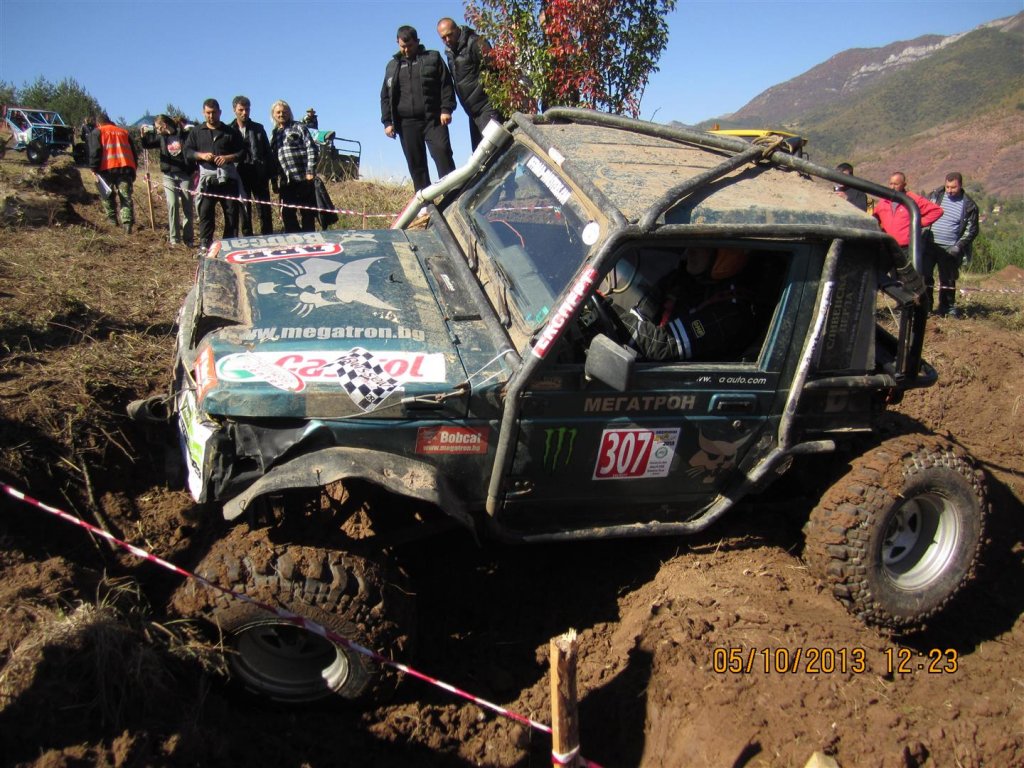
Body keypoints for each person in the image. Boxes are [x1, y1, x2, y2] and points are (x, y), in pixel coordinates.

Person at [610, 248, 757, 362]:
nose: (690, 250)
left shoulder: (731, 312)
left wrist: (608, 310)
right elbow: (641, 316)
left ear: (724, 255)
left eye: (700, 245)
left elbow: (661, 345)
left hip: (685, 385)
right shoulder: (679, 279)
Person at [380, 25, 457, 190]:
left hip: (434, 120)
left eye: (410, 46)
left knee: (443, 154)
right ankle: (426, 202)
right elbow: (385, 96)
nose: (406, 50)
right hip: (407, 124)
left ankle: (454, 195)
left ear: (417, 42)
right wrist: (387, 122)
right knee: (416, 165)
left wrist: (446, 109)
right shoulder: (392, 66)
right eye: (403, 46)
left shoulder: (433, 58)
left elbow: (446, 84)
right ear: (397, 43)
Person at [184, 98, 245, 252]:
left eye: (214, 113)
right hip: (207, 180)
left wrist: (227, 158)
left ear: (220, 112)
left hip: (228, 179)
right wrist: (201, 155)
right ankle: (205, 245)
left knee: (231, 213)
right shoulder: (196, 132)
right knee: (205, 213)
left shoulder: (230, 131)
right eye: (208, 113)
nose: (211, 116)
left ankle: (229, 244)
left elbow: (242, 152)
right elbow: (187, 152)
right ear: (203, 113)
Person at [437, 16, 503, 150]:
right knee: (481, 154)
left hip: (488, 106)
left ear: (457, 29)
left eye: (449, 35)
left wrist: (496, 100)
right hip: (473, 113)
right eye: (443, 38)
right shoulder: (450, 53)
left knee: (495, 148)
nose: (447, 40)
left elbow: (495, 69)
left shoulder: (476, 42)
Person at [926, 172, 980, 318]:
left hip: (950, 248)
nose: (949, 190)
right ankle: (925, 308)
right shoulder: (934, 196)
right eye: (947, 187)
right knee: (925, 276)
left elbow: (972, 230)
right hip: (929, 244)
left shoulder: (969, 205)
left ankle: (947, 309)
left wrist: (959, 246)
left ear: (960, 185)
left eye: (953, 187)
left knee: (948, 279)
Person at [140, 114, 195, 247]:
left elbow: (194, 142)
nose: (157, 130)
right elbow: (147, 144)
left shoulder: (184, 134)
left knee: (187, 207)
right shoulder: (161, 138)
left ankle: (188, 239)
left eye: (158, 127)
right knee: (173, 204)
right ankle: (174, 239)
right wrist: (143, 136)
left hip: (185, 175)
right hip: (169, 175)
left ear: (164, 125)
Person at [269, 100, 319, 233]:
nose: (281, 114)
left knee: (307, 214)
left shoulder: (299, 127)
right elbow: (273, 160)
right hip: (286, 181)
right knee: (287, 214)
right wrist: (274, 181)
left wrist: (310, 171)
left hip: (303, 178)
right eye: (278, 112)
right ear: (273, 115)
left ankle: (309, 240)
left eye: (284, 112)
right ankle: (295, 239)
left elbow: (312, 148)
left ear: (289, 113)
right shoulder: (274, 134)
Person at [230, 95, 274, 236]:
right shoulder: (229, 130)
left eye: (247, 109)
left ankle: (267, 235)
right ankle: (247, 237)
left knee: (264, 208)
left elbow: (268, 153)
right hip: (239, 174)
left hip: (258, 173)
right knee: (244, 207)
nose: (244, 113)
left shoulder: (258, 128)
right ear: (234, 110)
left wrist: (272, 176)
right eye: (241, 110)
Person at [87, 112, 137, 233]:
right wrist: (133, 169)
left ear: (98, 123)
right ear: (109, 121)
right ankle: (127, 224)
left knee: (107, 196)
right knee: (125, 196)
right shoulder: (124, 132)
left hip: (106, 169)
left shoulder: (97, 132)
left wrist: (93, 168)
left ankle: (112, 221)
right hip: (125, 168)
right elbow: (134, 152)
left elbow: (95, 152)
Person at [872, 171, 944, 255]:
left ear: (904, 185)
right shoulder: (883, 201)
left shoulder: (912, 199)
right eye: (891, 184)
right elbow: (874, 217)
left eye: (896, 184)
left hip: (906, 248)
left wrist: (919, 222)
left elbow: (937, 211)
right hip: (887, 245)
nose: (892, 187)